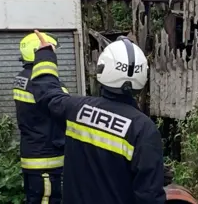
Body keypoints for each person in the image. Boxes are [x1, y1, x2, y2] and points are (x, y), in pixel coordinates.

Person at [30, 30, 166, 204]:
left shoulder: (76, 110)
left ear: (103, 68)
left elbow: (47, 93)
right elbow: (150, 197)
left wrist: (45, 54)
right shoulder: (143, 129)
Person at [14, 32, 68, 204]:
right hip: (46, 162)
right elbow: (64, 108)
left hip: (32, 155)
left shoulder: (22, 78)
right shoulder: (41, 84)